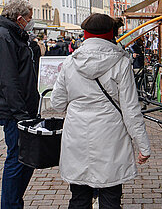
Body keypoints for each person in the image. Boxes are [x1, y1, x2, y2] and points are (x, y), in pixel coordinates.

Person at [51, 13, 151, 209]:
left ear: (85, 34)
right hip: (110, 135)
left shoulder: (70, 62)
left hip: (77, 134)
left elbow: (56, 103)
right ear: (111, 34)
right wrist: (143, 145)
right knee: (111, 196)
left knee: (79, 197)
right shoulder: (121, 63)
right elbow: (130, 109)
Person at [0, 0, 40, 209]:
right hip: (16, 112)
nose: (30, 23)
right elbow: (8, 79)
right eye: (29, 19)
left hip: (24, 110)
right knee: (16, 159)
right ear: (19, 19)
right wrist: (21, 114)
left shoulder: (16, 36)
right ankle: (10, 205)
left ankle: (14, 202)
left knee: (26, 159)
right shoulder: (5, 36)